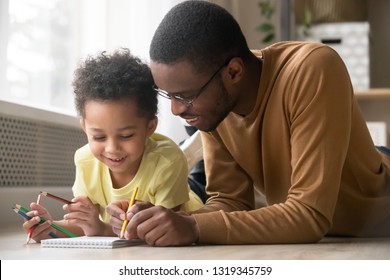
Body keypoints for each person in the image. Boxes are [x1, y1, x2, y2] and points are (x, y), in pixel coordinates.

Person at [106, 0, 390, 246]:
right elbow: (230, 203)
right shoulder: (215, 106)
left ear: (233, 72)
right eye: (169, 94)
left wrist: (192, 227)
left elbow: (310, 215)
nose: (176, 109)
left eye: (186, 96)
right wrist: (163, 222)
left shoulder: (312, 68)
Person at [22, 48, 203, 242]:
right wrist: (49, 228)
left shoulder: (168, 161)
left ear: (150, 127)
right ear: (85, 127)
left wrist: (100, 228)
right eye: (99, 137)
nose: (112, 149)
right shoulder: (85, 160)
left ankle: (201, 149)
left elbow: (162, 231)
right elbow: (87, 226)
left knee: (203, 178)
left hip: (192, 210)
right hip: (145, 209)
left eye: (126, 136)